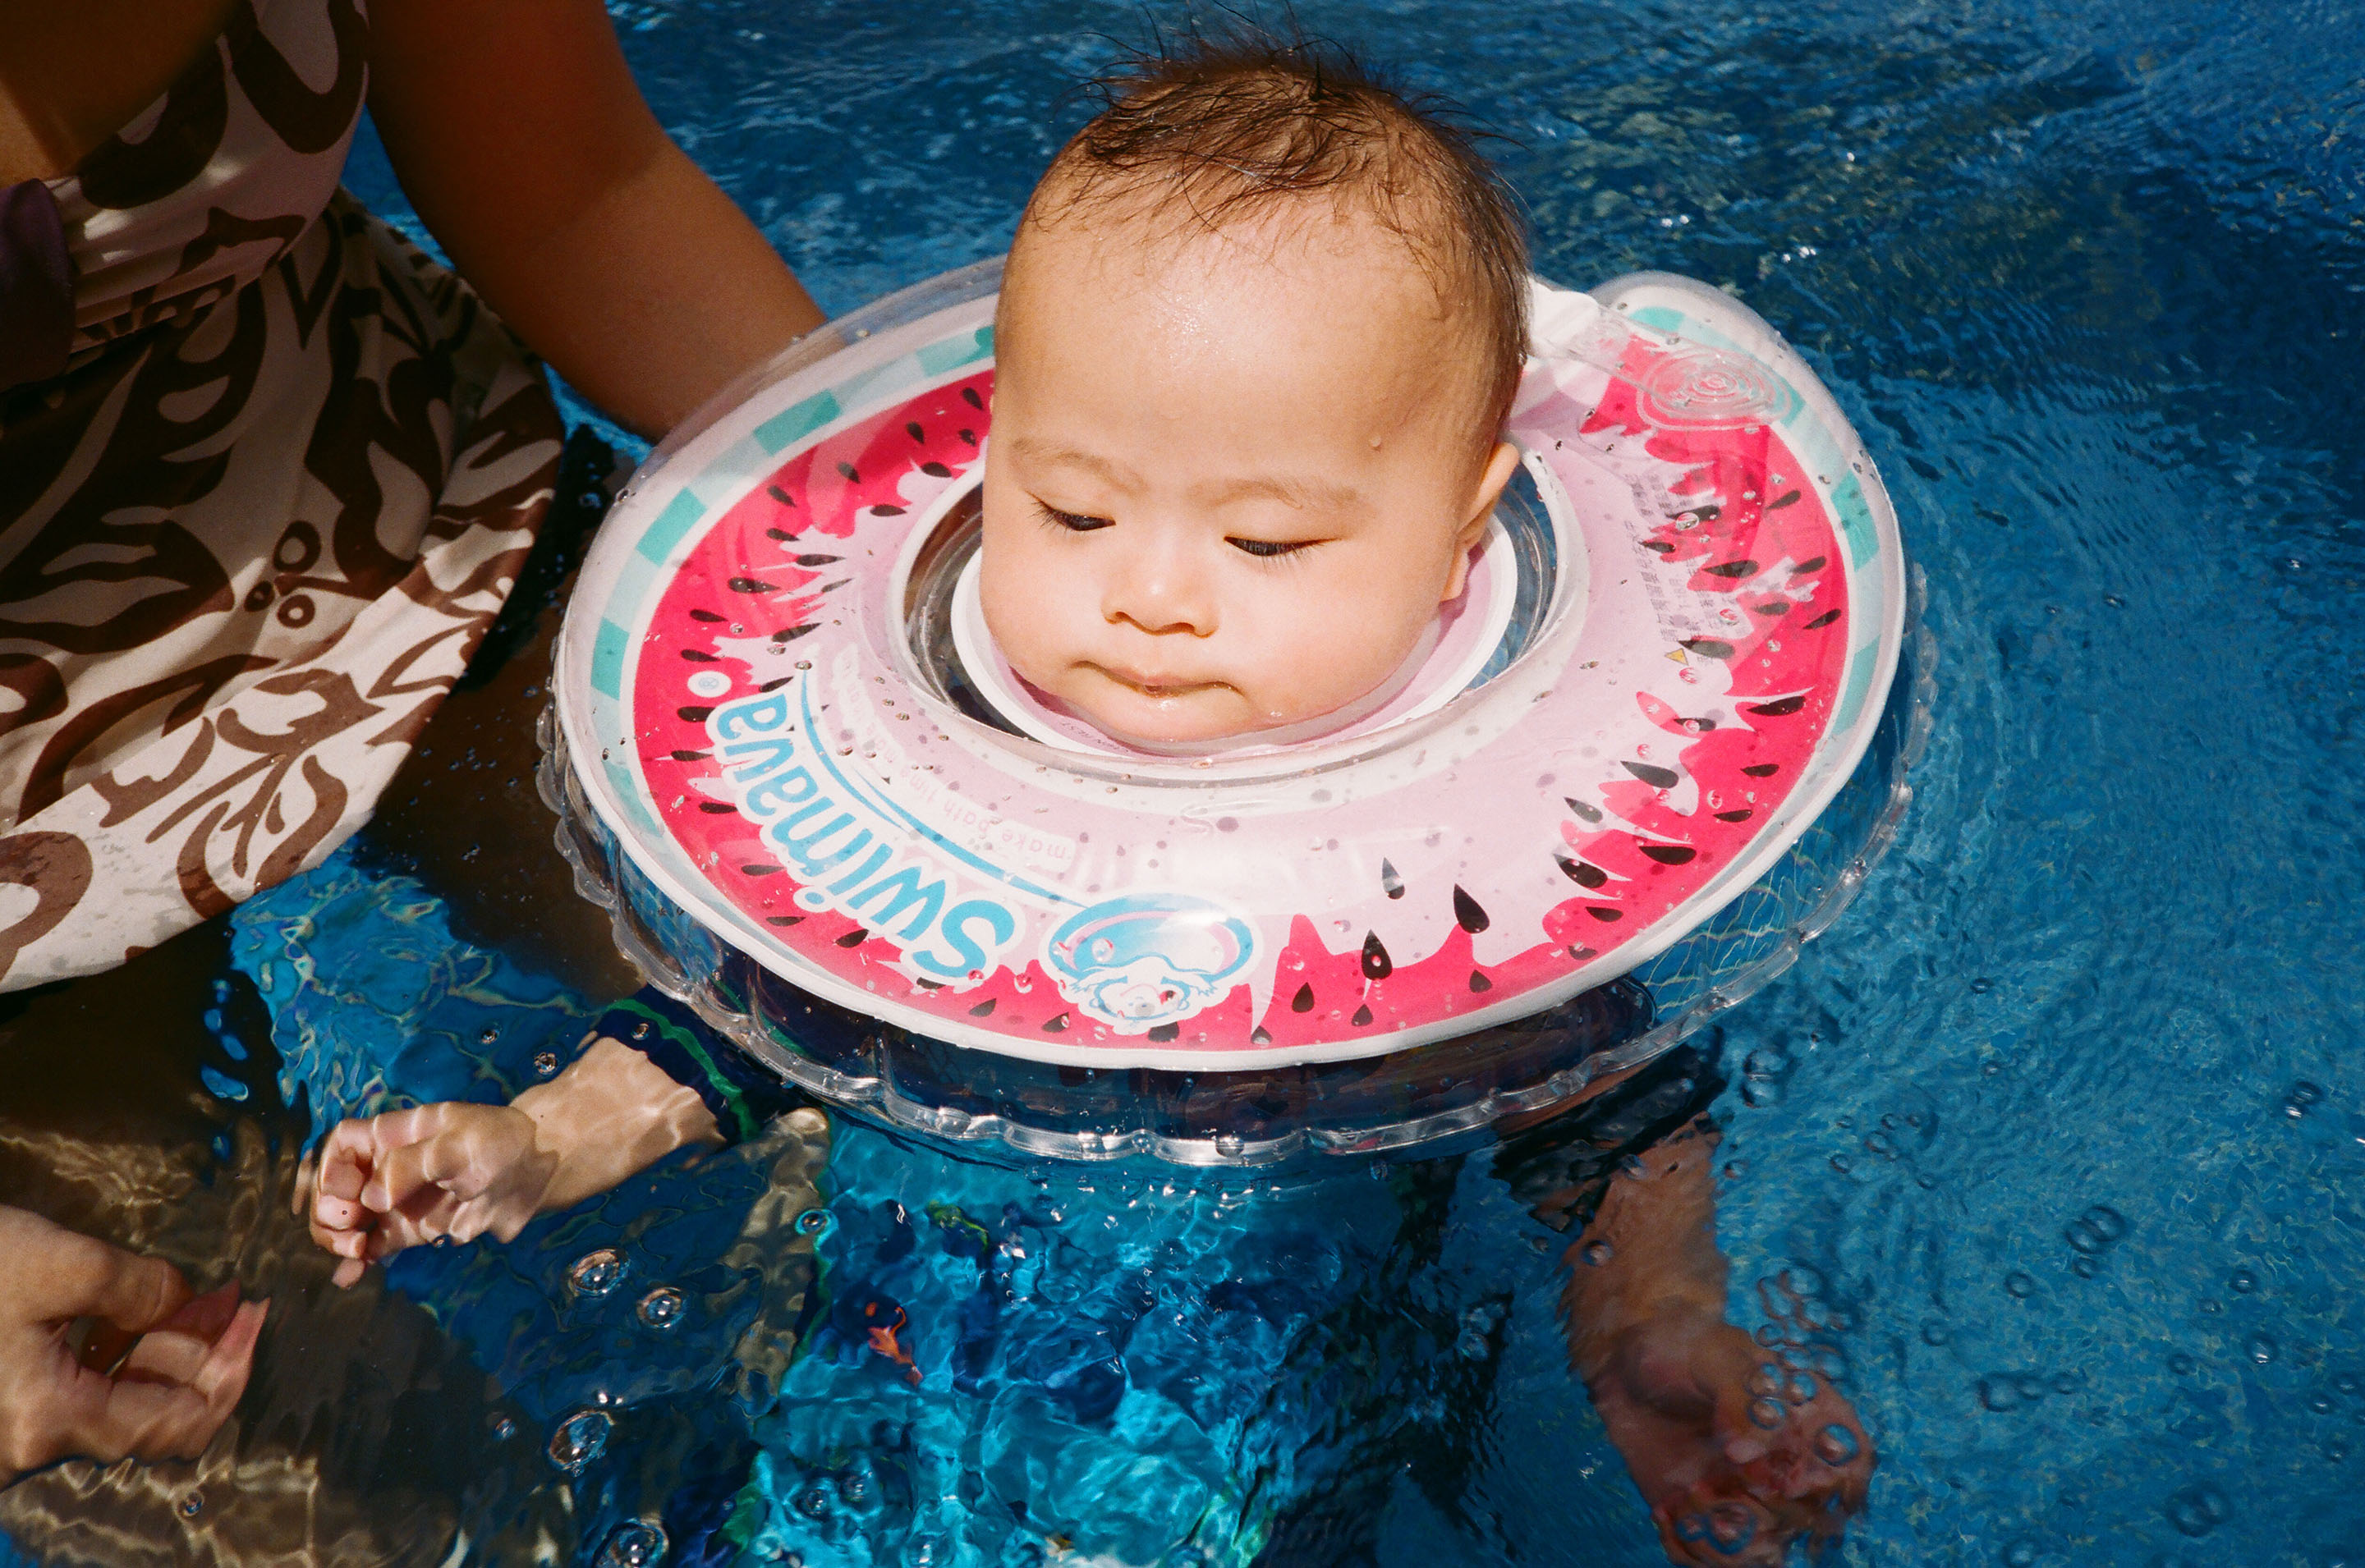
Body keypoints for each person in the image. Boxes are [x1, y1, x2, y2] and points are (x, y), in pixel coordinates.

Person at [300, 38, 1876, 1566]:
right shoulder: (899, 806)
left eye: (1264, 542)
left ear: (1469, 530)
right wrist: (534, 1141)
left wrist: (1651, 1321)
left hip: (1264, 1461)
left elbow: (1606, 1112)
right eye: (1071, 504)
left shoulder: (1486, 882)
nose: (1152, 594)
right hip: (879, 1395)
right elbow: (749, 1028)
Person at [0, 0, 822, 1488]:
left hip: (359, 506)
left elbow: (579, 185)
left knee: (834, 1085)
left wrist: (931, 552)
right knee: (321, 1476)